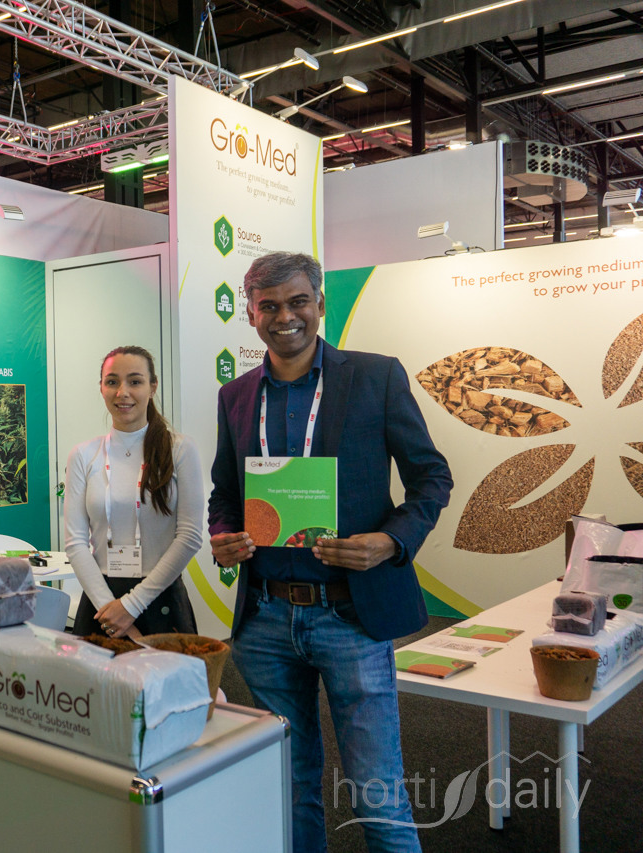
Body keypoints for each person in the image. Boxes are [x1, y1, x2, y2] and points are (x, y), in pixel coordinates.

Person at [208, 252, 452, 853]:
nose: (284, 317)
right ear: (250, 313)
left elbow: (431, 478)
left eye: (297, 302)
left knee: (377, 791)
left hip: (351, 614)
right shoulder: (235, 395)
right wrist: (224, 535)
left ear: (320, 303)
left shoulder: (375, 376)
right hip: (265, 619)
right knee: (290, 787)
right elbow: (225, 492)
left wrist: (391, 541)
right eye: (268, 306)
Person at [64, 345, 205, 639]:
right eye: (112, 381)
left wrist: (131, 606)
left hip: (160, 598)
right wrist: (110, 609)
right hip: (101, 604)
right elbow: (75, 542)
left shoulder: (180, 449)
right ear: (101, 388)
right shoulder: (83, 454)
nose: (123, 392)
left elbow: (190, 536)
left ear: (153, 387)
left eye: (135, 381)